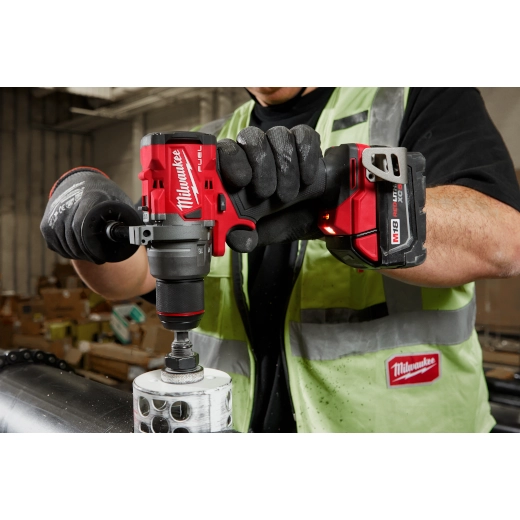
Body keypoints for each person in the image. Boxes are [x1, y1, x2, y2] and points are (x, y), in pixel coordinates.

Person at [41, 87, 520, 433]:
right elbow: (131, 277)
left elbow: (504, 241)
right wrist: (87, 224)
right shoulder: (208, 142)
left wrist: (345, 201)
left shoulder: (413, 95)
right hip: (238, 427)